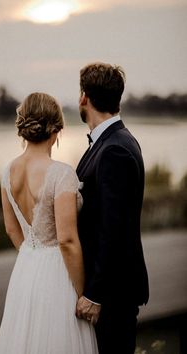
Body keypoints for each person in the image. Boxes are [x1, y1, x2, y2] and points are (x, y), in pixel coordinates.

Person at [0, 92, 98, 354]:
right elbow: (67, 240)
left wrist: (33, 255)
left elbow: (10, 228)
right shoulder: (61, 174)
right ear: (57, 129)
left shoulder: (8, 171)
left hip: (26, 269)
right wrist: (83, 292)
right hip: (58, 274)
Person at [76, 62, 149, 354]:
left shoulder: (114, 149)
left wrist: (95, 294)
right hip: (111, 292)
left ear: (84, 97)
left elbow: (113, 230)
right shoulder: (112, 141)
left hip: (112, 296)